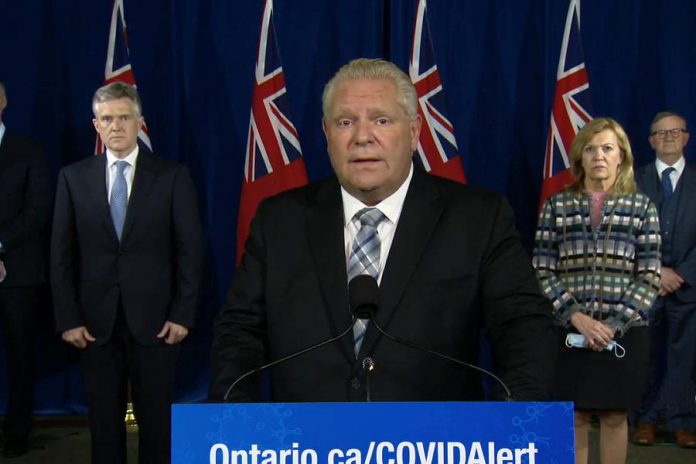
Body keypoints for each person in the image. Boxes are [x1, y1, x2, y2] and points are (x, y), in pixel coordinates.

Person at [209, 58, 555, 403]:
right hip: (305, 443)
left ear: (414, 131)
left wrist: (511, 424)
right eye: (345, 122)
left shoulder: (478, 218)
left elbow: (523, 328)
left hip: (437, 444)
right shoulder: (279, 220)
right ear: (327, 134)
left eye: (381, 120)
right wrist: (236, 421)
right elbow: (240, 334)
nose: (362, 137)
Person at [51, 82, 203, 464]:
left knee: (158, 423)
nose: (115, 126)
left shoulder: (171, 176)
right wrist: (68, 318)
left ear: (139, 122)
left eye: (123, 117)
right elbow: (61, 256)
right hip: (94, 324)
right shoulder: (73, 178)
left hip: (157, 323)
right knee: (103, 424)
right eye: (107, 119)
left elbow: (189, 251)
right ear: (96, 126)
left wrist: (182, 314)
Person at [533, 117, 661, 464]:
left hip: (624, 334)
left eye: (607, 148)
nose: (598, 156)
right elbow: (542, 269)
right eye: (590, 149)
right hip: (569, 331)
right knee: (573, 416)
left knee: (615, 416)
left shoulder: (642, 208)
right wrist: (577, 317)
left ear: (621, 156)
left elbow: (649, 275)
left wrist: (611, 326)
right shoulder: (557, 206)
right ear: (579, 158)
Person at [633, 111, 696, 448]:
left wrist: (683, 273)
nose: (669, 137)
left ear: (686, 137)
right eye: (661, 132)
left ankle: (683, 420)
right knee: (646, 354)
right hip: (644, 286)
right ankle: (645, 419)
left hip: (690, 286)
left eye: (676, 131)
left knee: (686, 354)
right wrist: (655, 270)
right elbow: (624, 231)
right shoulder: (632, 180)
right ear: (651, 141)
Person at [0, 81, 53, 458]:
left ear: (2, 101)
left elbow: (37, 211)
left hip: (17, 274)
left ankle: (17, 432)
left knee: (19, 356)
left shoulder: (28, 151)